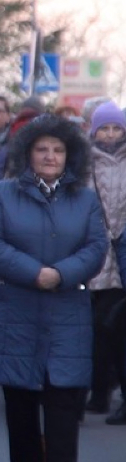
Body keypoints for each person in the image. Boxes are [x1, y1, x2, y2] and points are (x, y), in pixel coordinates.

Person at [0, 116, 108, 462]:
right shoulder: (2, 194)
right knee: (20, 396)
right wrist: (34, 272)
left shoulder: (84, 198)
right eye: (42, 149)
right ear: (28, 154)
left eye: (58, 150)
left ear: (70, 156)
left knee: (64, 395)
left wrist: (62, 274)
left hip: (67, 308)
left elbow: (96, 246)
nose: (50, 156)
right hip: (16, 307)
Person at [85, 102, 126, 421]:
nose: (110, 135)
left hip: (124, 251)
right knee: (97, 328)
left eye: (116, 128)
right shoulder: (83, 162)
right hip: (97, 253)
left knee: (119, 328)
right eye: (104, 128)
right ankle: (98, 392)